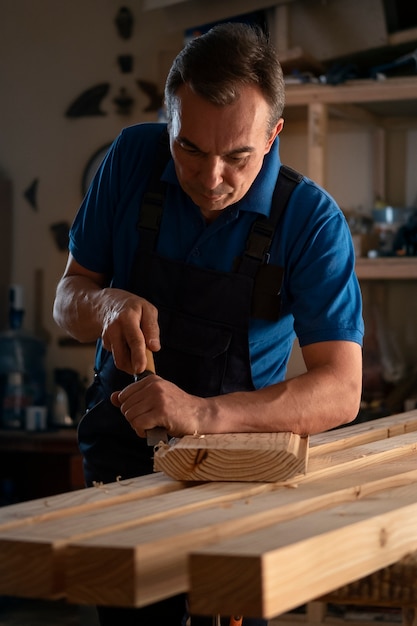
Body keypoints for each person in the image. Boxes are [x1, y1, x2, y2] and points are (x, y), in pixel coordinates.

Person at [53, 21, 363, 626]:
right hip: (123, 459)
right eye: (189, 148)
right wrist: (108, 304)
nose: (210, 177)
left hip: (234, 476)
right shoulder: (130, 159)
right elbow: (68, 299)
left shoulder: (311, 221)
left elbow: (341, 388)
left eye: (237, 156)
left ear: (274, 136)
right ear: (169, 120)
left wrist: (203, 415)